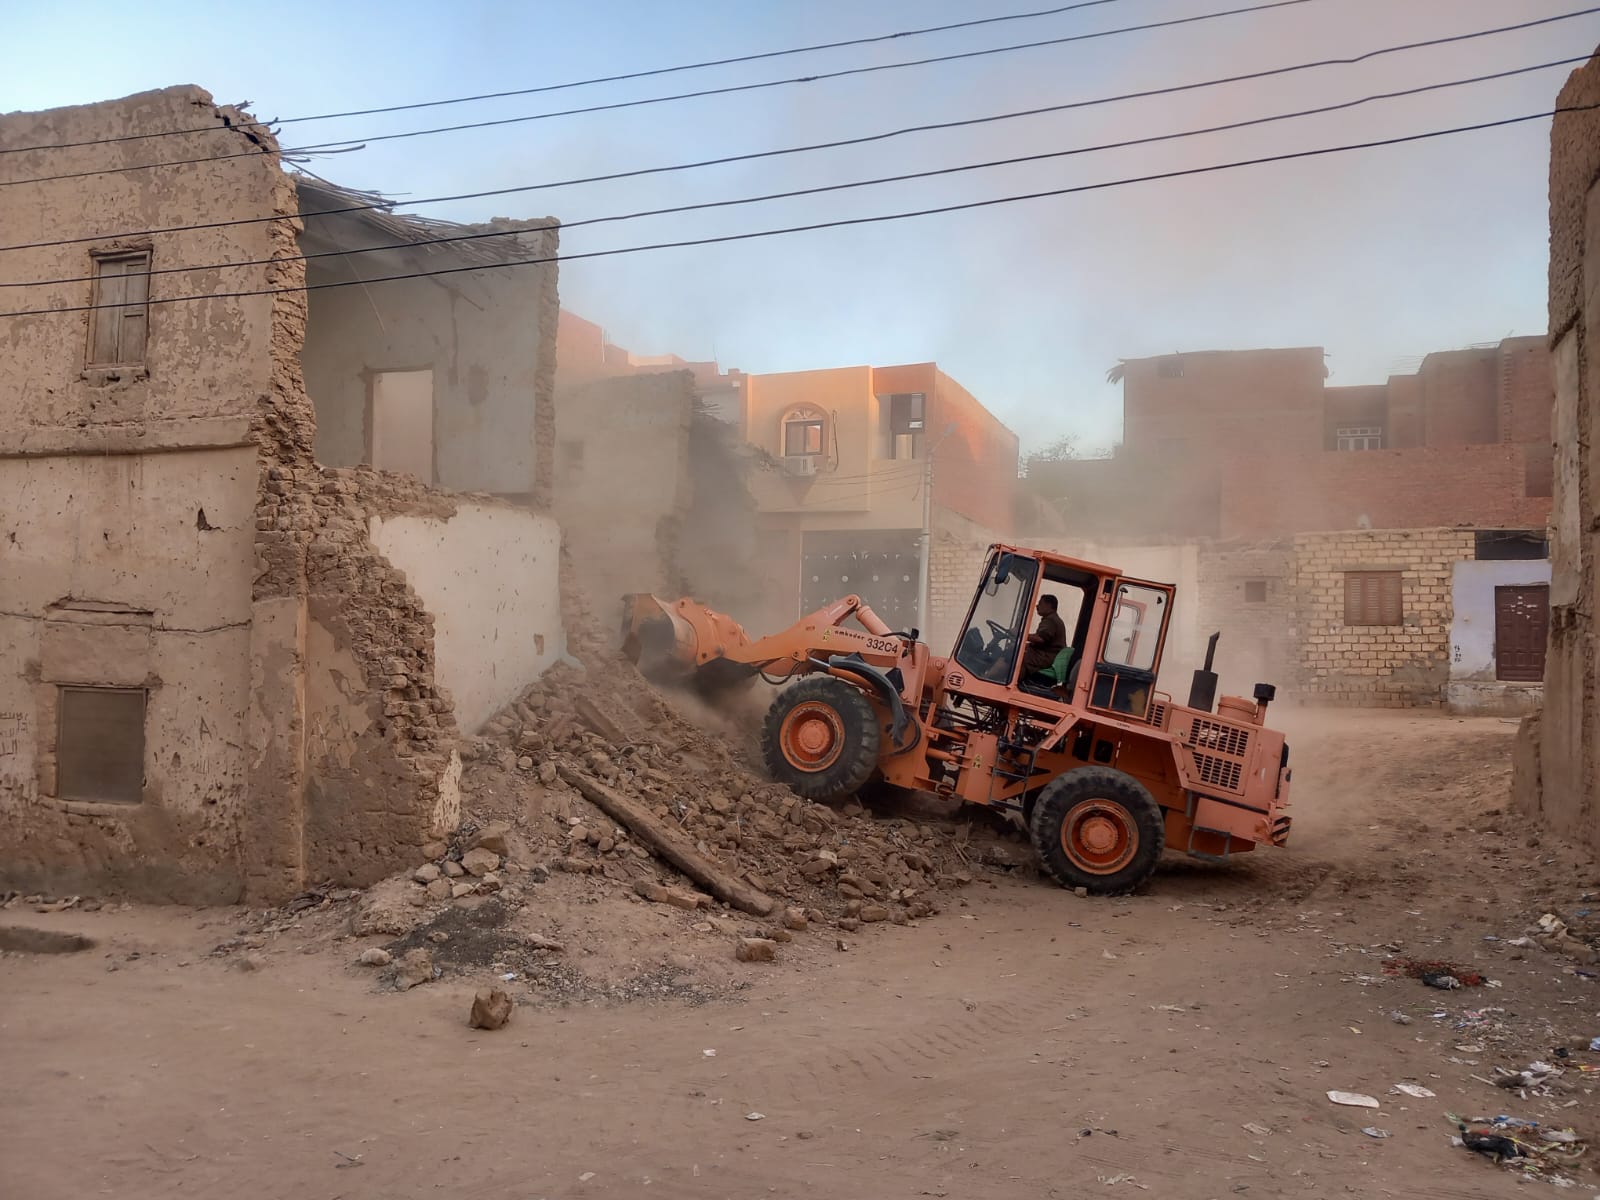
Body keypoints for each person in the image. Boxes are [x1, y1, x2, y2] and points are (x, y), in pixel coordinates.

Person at [1023, 593, 1068, 675]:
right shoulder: (1054, 619)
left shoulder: (1051, 620)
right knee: (1020, 650)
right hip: (1049, 657)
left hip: (1046, 657)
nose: (1037, 606)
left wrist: (1021, 634)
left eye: (1040, 604)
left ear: (1049, 605)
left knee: (1015, 656)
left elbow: (1040, 638)